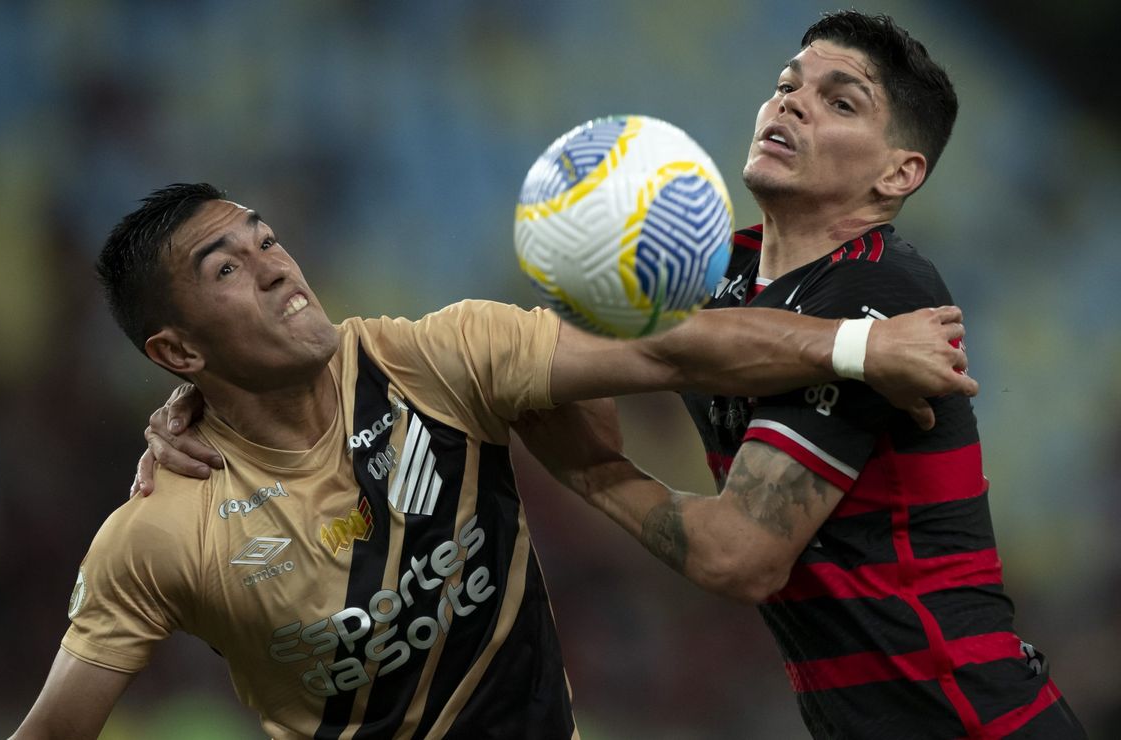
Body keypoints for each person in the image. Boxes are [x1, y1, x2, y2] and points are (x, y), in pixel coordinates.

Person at [141, 10, 1086, 739]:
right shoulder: (712, 266)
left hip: (974, 719)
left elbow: (740, 555)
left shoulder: (880, 284)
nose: (789, 102)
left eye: (840, 101)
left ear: (896, 175)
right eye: (787, 82)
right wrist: (225, 393)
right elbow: (496, 348)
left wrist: (598, 476)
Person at [11, 183, 972, 740]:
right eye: (226, 268)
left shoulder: (437, 358)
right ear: (178, 353)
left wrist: (854, 348)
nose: (274, 266)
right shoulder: (159, 530)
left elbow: (662, 353)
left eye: (268, 240)